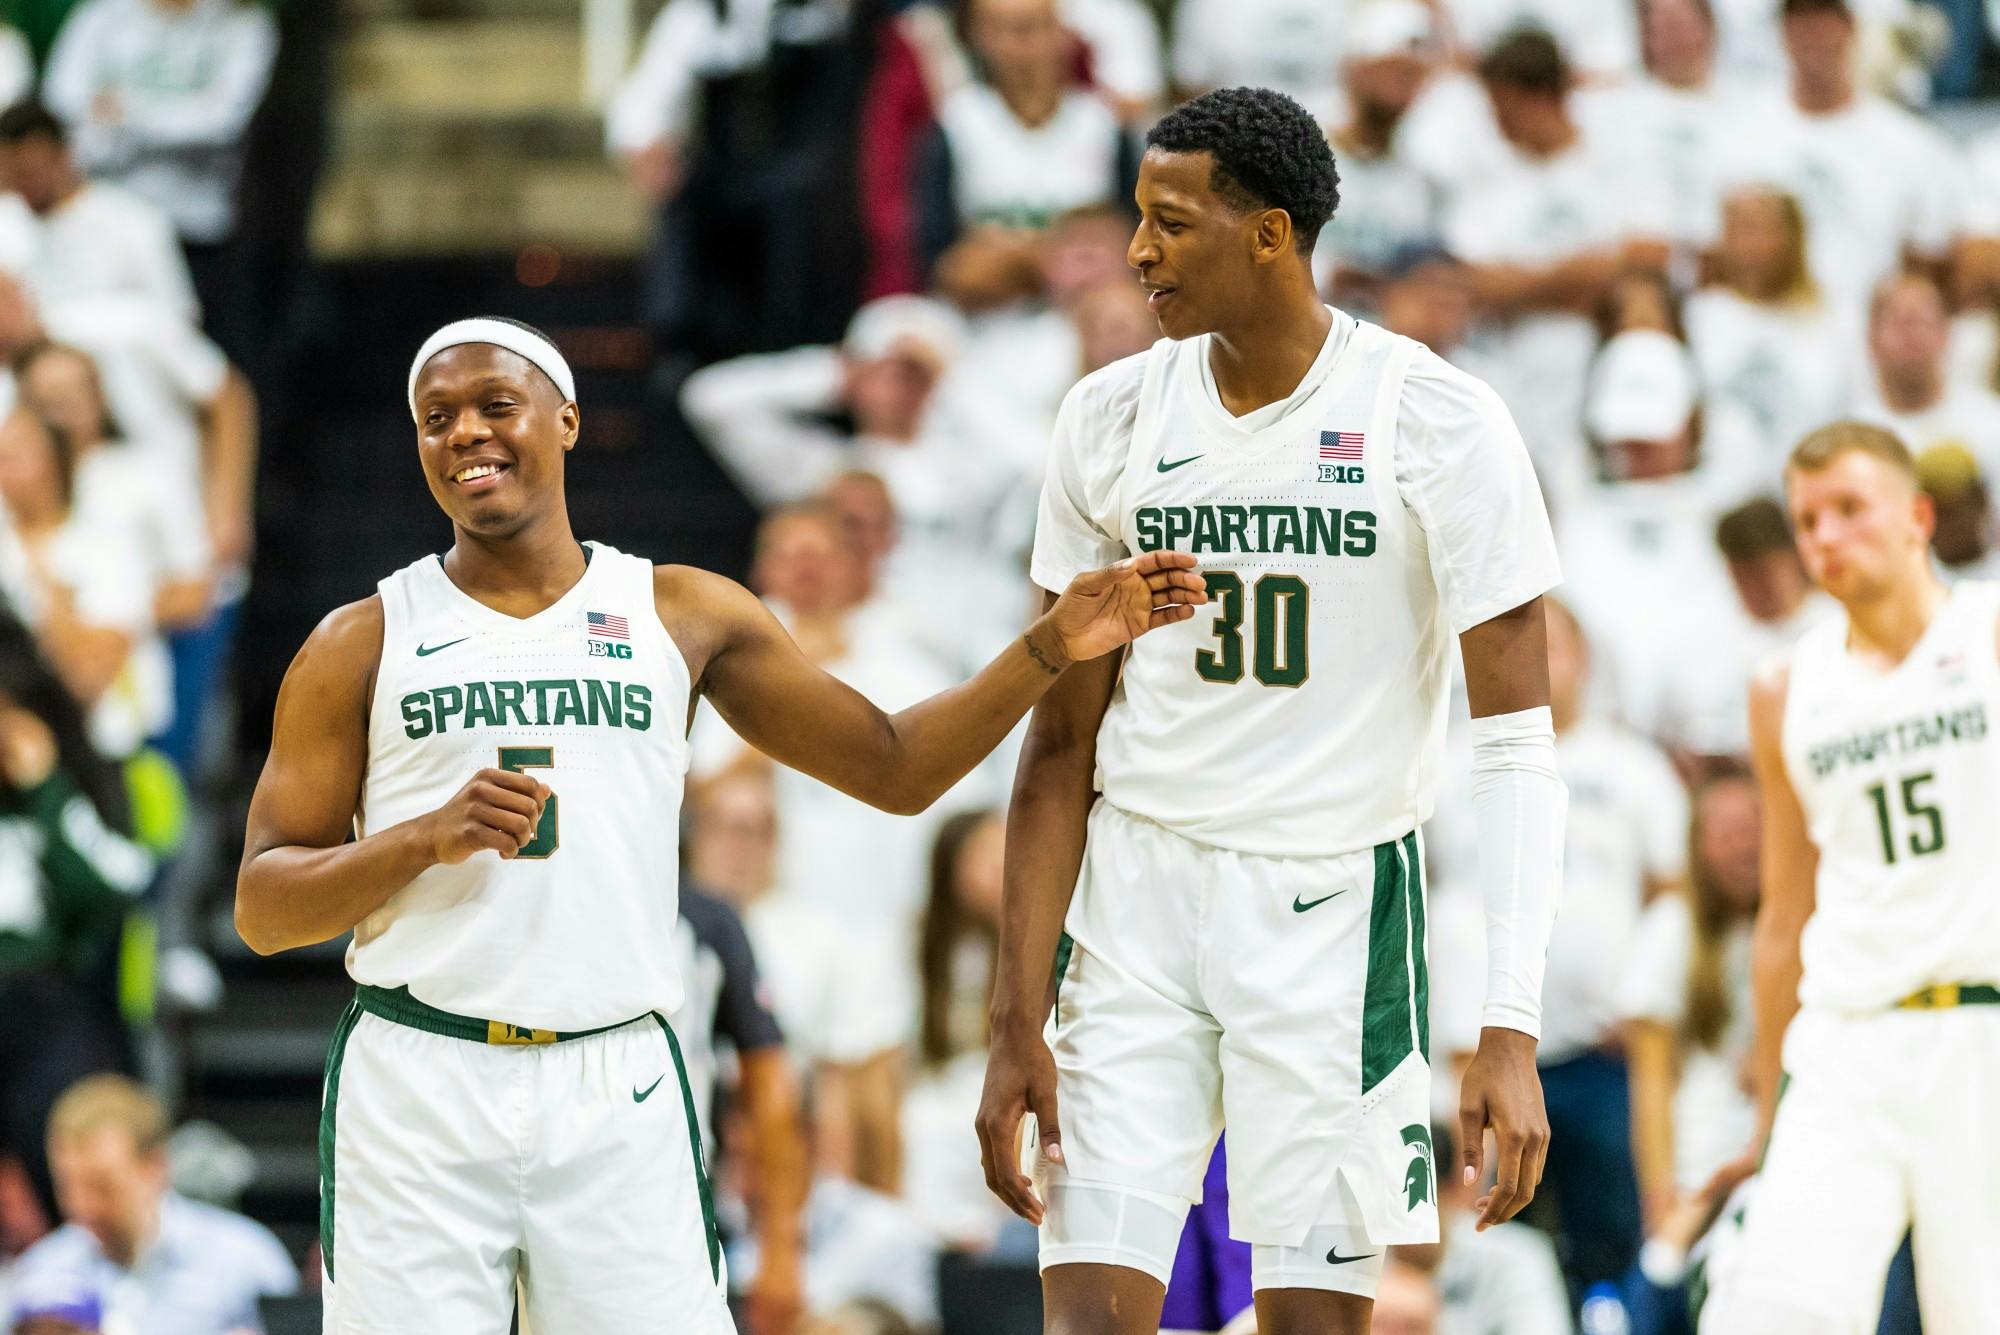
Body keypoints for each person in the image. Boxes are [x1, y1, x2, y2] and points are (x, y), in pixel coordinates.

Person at [233, 316, 1203, 1331]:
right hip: (419, 1077)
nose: (465, 433)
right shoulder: (361, 640)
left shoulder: (680, 611)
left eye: (495, 407)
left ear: (565, 422)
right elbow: (262, 907)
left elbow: (896, 766)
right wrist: (417, 840)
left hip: (618, 1077)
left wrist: (1050, 643)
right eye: (436, 420)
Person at [976, 88, 1565, 1335]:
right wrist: (1012, 1016)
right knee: (1086, 1318)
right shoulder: (1108, 416)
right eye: (1138, 220)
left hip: (1333, 911)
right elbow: (1058, 742)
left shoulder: (1435, 420)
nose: (1137, 251)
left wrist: (1507, 1025)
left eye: (1169, 223)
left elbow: (1513, 746)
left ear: (1270, 234)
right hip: (1133, 899)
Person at [1703, 421, 2000, 1331]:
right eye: (1807, 519)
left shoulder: (1988, 628)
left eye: (1848, 510)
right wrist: (1765, 1116)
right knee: (1773, 1309)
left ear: (1916, 517)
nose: (1825, 537)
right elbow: (1784, 917)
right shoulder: (1784, 687)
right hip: (1845, 1043)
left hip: (1979, 1032)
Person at [1529, 599, 1685, 1296]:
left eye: (1551, 645)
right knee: (1503, 1240)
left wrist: (1643, 998)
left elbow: (1676, 889)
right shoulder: (1449, 760)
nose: (1533, 659)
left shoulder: (1632, 766)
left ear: (1585, 659)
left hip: (1603, 1053)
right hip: (1489, 1055)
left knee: (1615, 1235)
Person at [1443, 29, 1669, 512]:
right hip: (1513, 369)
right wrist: (1582, 273)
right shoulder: (1489, 179)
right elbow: (1479, 284)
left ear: (1543, 97)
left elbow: (1649, 257)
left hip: (1600, 360)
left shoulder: (1614, 162)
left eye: (1504, 105)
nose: (1497, 121)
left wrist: (1525, 282)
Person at [0, 617, 152, 1229]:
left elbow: (120, 884)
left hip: (49, 999)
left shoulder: (74, 780)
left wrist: (45, 790)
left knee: (73, 1115)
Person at [1715, 0, 1961, 327]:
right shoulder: (1741, 135)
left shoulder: (1908, 143)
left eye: (1823, 21)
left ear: (1850, 28)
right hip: (1769, 332)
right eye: (1798, 22)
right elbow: (1717, 260)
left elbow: (1926, 266)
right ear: (1782, 33)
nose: (1812, 35)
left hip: (1869, 336)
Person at [9, 1075, 296, 1334]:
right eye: (67, 1186)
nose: (83, 1205)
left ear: (156, 1167)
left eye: (102, 1186)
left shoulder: (246, 1260)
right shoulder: (40, 1275)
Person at [916, 0, 1134, 311]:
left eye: (1033, 27)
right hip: (985, 329)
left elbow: (1131, 254)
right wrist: (1067, 258)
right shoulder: (954, 125)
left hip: (1088, 333)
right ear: (976, 36)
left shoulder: (1103, 125)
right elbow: (946, 271)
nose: (1020, 44)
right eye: (1002, 30)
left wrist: (1002, 255)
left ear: (1063, 32)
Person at [1622, 767, 1761, 1239]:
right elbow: (1652, 1080)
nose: (1746, 846)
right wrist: (1660, 1194)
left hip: (1787, 1158)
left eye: (1756, 829)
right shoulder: (1669, 929)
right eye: (1727, 833)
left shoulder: (1812, 923)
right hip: (1702, 1161)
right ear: (1697, 846)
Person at [1684, 184, 1854, 476]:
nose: (1749, 244)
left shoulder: (1834, 316)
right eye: (1736, 228)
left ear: (1792, 234)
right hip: (1724, 491)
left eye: (1759, 228)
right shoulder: (1700, 314)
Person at [1653, 498, 1828, 763]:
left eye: (1766, 571)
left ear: (1796, 557)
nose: (1758, 588)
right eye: (1744, 576)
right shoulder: (1702, 643)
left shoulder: (1837, 622)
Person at [0, 101, 198, 322]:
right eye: (14, 173)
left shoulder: (133, 220)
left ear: (63, 155)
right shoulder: (7, 222)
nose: (26, 183)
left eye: (32, 171)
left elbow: (177, 313)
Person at [1319, 2, 1443, 314]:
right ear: (1357, 67)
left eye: (1413, 75)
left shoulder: (1422, 183)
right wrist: (1327, 275)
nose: (1402, 87)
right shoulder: (1303, 157)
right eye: (1393, 69)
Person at [1852, 270, 2000, 482]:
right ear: (1871, 339)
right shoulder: (1852, 438)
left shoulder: (1993, 423)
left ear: (1946, 334)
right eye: (1900, 323)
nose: (1911, 335)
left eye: (1923, 321)